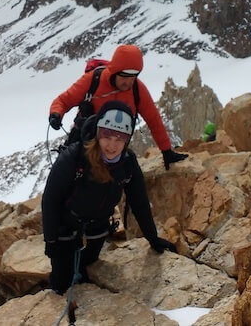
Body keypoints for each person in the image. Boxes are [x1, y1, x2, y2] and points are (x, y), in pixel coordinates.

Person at [42, 100, 177, 294]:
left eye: (119, 139)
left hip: (97, 227)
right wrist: (51, 240)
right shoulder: (75, 157)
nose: (112, 146)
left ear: (127, 140)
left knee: (88, 267)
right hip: (66, 226)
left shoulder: (127, 164)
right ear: (98, 132)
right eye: (106, 136)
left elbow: (139, 202)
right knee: (61, 281)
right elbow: (50, 200)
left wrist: (152, 238)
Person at [48, 44, 187, 169]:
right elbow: (63, 101)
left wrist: (166, 151)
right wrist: (56, 114)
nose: (128, 82)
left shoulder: (137, 89)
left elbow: (154, 120)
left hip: (113, 151)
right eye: (124, 77)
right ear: (114, 71)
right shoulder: (93, 80)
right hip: (83, 146)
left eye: (133, 78)